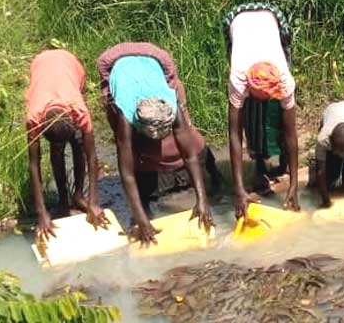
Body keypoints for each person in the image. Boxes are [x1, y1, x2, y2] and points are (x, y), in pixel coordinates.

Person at [97, 42, 216, 247]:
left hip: (153, 60)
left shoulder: (172, 104)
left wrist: (202, 200)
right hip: (119, 69)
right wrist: (141, 219)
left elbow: (189, 155)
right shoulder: (125, 116)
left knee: (191, 143)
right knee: (138, 164)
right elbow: (126, 173)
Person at [223, 2, 300, 218]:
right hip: (236, 19)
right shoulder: (238, 78)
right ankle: (258, 163)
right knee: (251, 115)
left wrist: (294, 185)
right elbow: (234, 135)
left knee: (278, 116)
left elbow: (291, 133)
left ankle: (284, 165)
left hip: (271, 18)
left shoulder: (284, 79)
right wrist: (238, 189)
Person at [25, 48, 108, 244]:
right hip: (42, 65)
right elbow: (34, 164)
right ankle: (63, 200)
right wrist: (41, 212)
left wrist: (94, 201)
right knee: (57, 150)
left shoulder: (79, 109)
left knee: (79, 143)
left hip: (71, 65)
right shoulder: (33, 117)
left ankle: (78, 195)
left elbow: (92, 156)